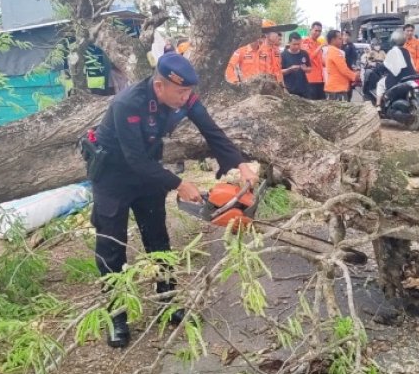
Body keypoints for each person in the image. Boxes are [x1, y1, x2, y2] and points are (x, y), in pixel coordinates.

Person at [92, 53, 258, 348]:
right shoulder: (127, 104)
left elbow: (211, 130)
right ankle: (117, 316)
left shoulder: (184, 98)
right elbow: (133, 159)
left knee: (158, 240)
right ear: (160, 86)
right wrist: (179, 184)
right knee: (111, 247)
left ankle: (167, 302)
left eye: (188, 91)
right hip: (113, 178)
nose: (186, 97)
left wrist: (240, 163)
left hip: (148, 174)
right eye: (181, 91)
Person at [371, 29, 416, 110]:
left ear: (393, 40)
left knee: (380, 84)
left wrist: (377, 69)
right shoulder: (406, 51)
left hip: (397, 80)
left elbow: (385, 65)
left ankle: (378, 106)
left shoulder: (393, 51)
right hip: (409, 78)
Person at [324, 29, 358, 101]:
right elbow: (344, 69)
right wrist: (355, 76)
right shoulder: (335, 52)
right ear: (333, 40)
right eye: (339, 38)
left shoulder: (330, 50)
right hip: (337, 89)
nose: (342, 40)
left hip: (335, 88)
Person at [281, 32, 311, 97]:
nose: (297, 46)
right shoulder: (283, 55)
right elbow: (279, 72)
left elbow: (310, 69)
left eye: (298, 44)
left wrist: (306, 69)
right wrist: (290, 69)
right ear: (289, 43)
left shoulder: (304, 53)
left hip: (303, 89)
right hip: (289, 90)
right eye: (294, 44)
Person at [301, 22, 325, 99]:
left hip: (320, 79)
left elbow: (321, 61)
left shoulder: (318, 43)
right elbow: (309, 57)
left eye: (319, 31)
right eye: (316, 30)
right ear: (310, 30)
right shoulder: (305, 42)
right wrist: (320, 46)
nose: (317, 33)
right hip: (310, 79)